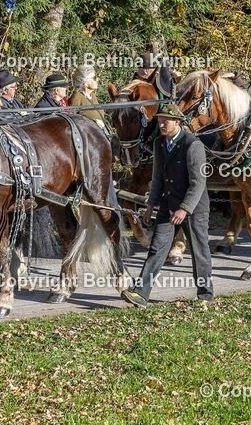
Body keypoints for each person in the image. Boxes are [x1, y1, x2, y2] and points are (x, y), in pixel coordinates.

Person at [121, 104, 214, 308]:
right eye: (160, 120)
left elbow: (198, 182)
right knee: (157, 247)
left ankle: (205, 295)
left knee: (199, 251)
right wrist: (151, 204)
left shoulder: (193, 145)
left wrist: (185, 209)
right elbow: (158, 177)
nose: (161, 124)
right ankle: (141, 294)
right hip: (168, 205)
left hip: (194, 208)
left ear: (177, 122)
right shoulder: (159, 143)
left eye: (166, 121)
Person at [68, 64, 107, 130]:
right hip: (88, 135)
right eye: (93, 78)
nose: (96, 80)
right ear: (85, 82)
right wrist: (92, 123)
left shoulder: (92, 95)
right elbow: (72, 120)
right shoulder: (77, 97)